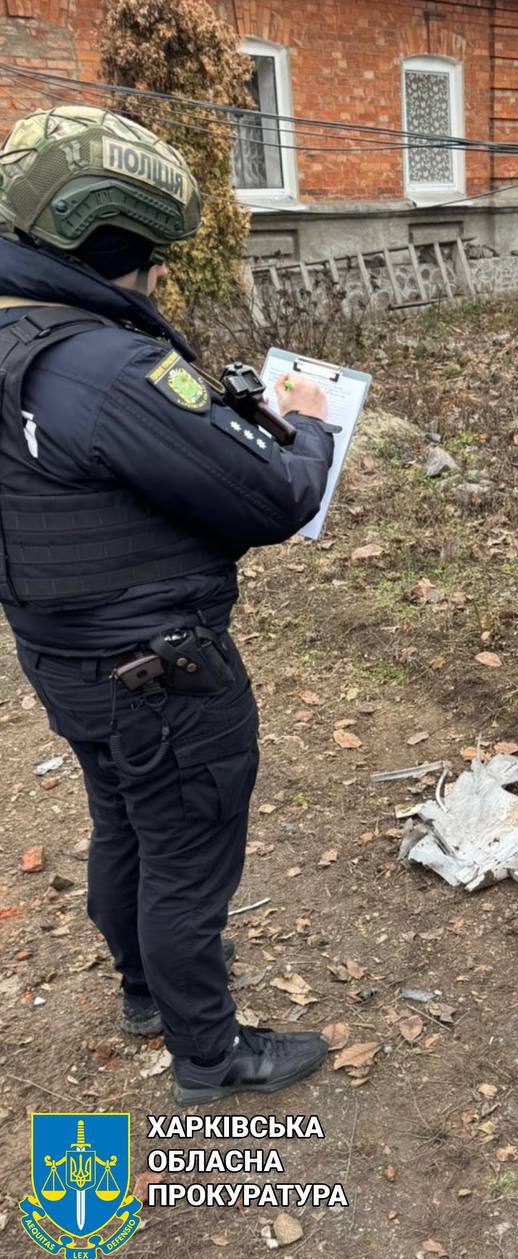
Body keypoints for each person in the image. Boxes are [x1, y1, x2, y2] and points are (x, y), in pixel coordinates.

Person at [0, 106, 338, 1105]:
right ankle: (209, 1052)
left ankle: (146, 990)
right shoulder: (105, 368)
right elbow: (272, 496)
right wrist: (308, 429)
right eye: (153, 256)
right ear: (125, 247)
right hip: (160, 670)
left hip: (61, 653)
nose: (158, 275)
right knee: (186, 854)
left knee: (124, 824)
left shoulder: (15, 341)